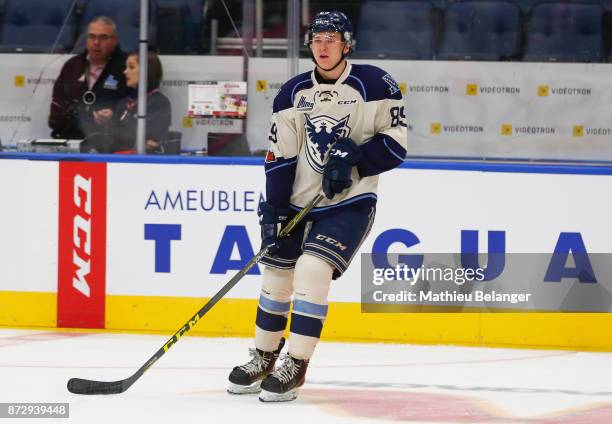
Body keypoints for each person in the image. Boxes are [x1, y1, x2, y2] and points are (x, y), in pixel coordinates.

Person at [227, 11, 407, 402]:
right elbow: (281, 158)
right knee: (275, 273)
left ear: (347, 43)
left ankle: (295, 363)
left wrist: (355, 160)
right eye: (317, 39)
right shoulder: (291, 92)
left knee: (311, 268)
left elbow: (396, 144)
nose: (323, 46)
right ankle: (263, 356)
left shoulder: (375, 83)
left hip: (349, 201)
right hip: (297, 202)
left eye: (331, 38)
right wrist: (275, 209)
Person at [49, 16, 128, 140]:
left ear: (115, 40)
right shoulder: (72, 66)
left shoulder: (127, 67)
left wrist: (114, 115)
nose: (96, 42)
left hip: (111, 144)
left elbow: (134, 105)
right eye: (92, 37)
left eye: (103, 37)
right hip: (71, 141)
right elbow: (57, 108)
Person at [83, 51, 171, 153]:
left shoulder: (159, 102)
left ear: (147, 71)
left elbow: (149, 136)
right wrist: (103, 121)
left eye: (131, 67)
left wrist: (115, 120)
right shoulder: (124, 102)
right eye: (126, 67)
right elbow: (113, 138)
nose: (125, 72)